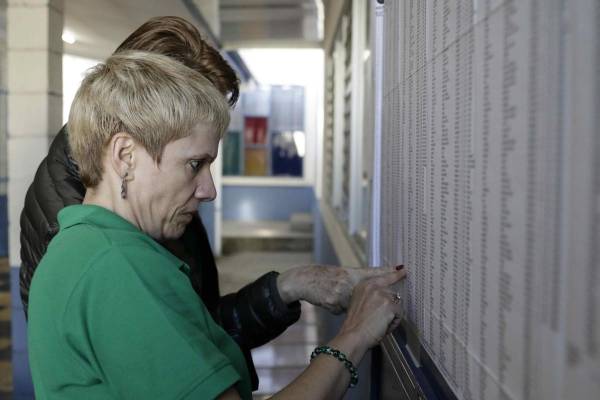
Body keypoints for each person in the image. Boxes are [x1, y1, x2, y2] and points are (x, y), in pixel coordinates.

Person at [19, 16, 403, 389]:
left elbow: (191, 325)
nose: (209, 190)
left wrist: (287, 286)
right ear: (128, 147)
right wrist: (350, 340)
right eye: (194, 162)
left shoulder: (118, 225)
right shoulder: (110, 261)